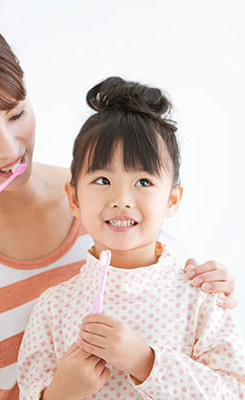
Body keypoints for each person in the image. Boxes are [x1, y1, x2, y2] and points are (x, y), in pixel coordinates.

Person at [0, 1, 238, 399]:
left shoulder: (106, 198)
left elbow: (177, 314)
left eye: (16, 115)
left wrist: (205, 284)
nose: (10, 149)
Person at [17, 77, 245, 399]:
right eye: (102, 179)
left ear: (173, 200)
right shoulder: (54, 306)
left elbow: (234, 392)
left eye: (143, 182)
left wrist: (145, 361)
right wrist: (61, 392)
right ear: (74, 199)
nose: (122, 198)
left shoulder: (201, 298)